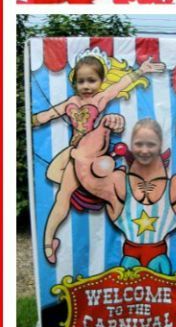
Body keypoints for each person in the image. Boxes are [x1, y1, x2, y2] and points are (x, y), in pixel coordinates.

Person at [32, 50, 165, 263]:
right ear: (74, 82)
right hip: (76, 154)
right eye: (81, 81)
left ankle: (132, 237)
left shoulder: (100, 99)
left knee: (114, 194)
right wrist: (27, 119)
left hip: (95, 153)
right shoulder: (70, 102)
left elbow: (120, 85)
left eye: (91, 81)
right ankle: (49, 242)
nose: (86, 86)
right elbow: (47, 115)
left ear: (100, 81)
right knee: (62, 196)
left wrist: (141, 70)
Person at [72, 115, 176, 275]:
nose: (144, 150)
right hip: (129, 263)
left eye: (151, 144)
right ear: (131, 145)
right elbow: (83, 161)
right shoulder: (117, 183)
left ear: (160, 146)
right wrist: (103, 129)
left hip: (159, 264)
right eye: (139, 144)